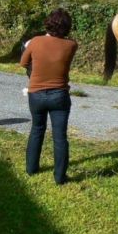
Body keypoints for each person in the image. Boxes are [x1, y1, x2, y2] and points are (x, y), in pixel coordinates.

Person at [21, 9, 78, 185]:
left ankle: (31, 168)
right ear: (67, 27)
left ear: (47, 24)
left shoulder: (36, 41)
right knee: (60, 136)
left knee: (37, 129)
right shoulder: (71, 45)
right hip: (59, 95)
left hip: (36, 94)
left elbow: (23, 62)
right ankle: (60, 177)